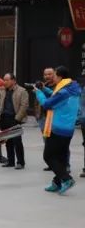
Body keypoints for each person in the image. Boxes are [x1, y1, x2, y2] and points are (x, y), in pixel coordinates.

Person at [35, 66, 81, 195]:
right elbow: (56, 96)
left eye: (54, 75)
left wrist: (38, 93)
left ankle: (67, 179)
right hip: (68, 128)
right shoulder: (71, 88)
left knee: (48, 156)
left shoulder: (64, 91)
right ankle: (57, 182)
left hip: (57, 128)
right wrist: (44, 89)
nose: (52, 77)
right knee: (60, 157)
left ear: (60, 76)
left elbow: (47, 104)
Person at [0, 73, 28, 169]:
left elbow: (24, 106)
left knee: (17, 141)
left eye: (7, 80)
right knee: (8, 141)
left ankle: (20, 162)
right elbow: (0, 105)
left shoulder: (22, 91)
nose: (4, 82)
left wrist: (17, 118)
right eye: (4, 80)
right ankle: (10, 161)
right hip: (4, 118)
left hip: (15, 118)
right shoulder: (3, 91)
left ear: (14, 81)